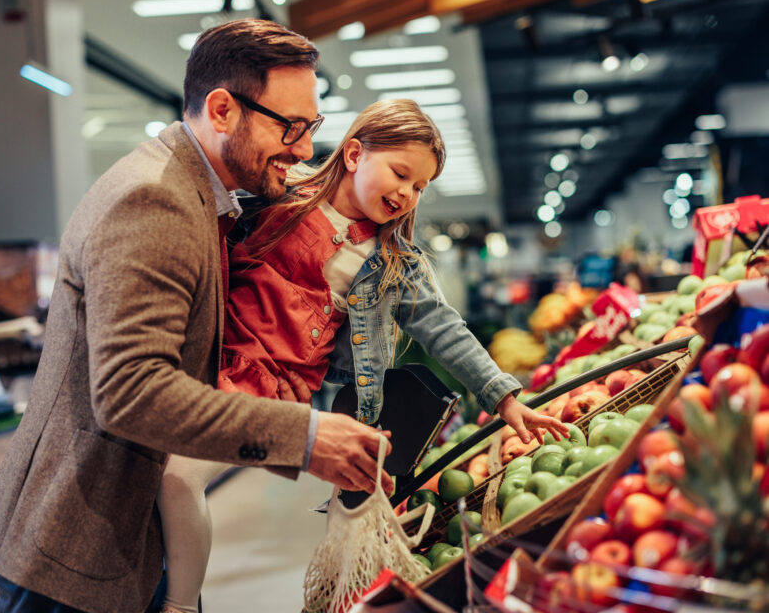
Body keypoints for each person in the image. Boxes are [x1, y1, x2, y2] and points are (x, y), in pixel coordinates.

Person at [0, 19, 392, 613]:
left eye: (313, 127)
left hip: (121, 535)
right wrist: (304, 438)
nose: (306, 149)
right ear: (223, 109)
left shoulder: (199, 194)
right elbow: (130, 391)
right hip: (78, 553)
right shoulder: (155, 199)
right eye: (292, 127)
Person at [157, 99, 569, 613]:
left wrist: (504, 397)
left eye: (419, 186)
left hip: (272, 389)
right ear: (354, 153)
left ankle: (179, 606)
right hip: (202, 361)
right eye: (400, 173)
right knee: (160, 478)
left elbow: (445, 329)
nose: (407, 193)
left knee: (179, 477)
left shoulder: (394, 264)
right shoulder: (278, 198)